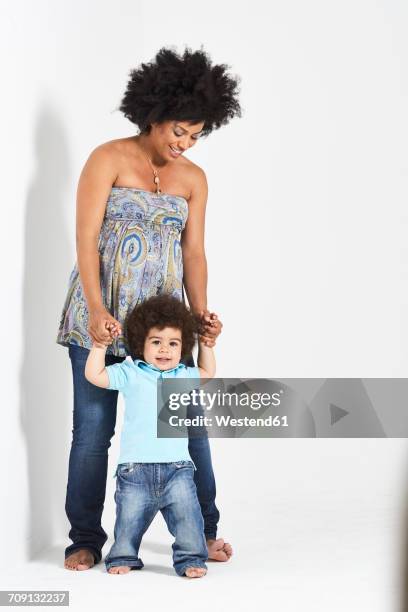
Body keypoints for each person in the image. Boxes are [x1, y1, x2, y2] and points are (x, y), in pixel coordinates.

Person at [57, 45, 242, 571]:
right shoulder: (108, 157)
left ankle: (204, 530)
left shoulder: (194, 179)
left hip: (165, 332)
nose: (185, 143)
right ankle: (86, 538)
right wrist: (95, 309)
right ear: (155, 114)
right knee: (93, 434)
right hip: (101, 319)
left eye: (195, 135)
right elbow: (86, 237)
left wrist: (202, 320)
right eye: (178, 131)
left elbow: (194, 251)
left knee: (190, 431)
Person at [85, 294, 215, 578]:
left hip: (178, 470)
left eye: (173, 344)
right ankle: (123, 555)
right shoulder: (130, 372)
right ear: (140, 343)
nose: (165, 350)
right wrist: (99, 346)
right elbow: (95, 376)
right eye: (156, 342)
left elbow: (207, 371)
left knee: (188, 521)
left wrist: (206, 344)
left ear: (182, 349)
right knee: (128, 522)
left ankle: (191, 558)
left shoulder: (181, 376)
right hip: (134, 471)